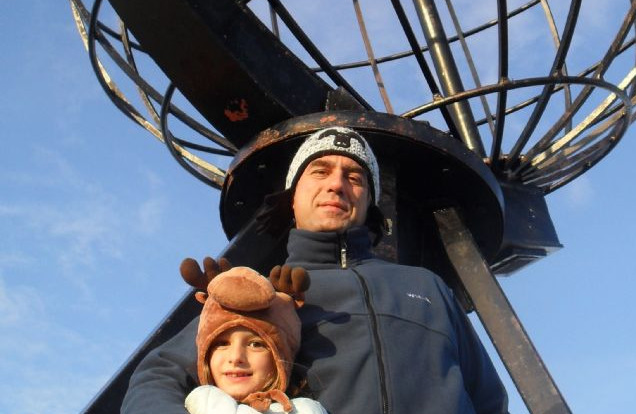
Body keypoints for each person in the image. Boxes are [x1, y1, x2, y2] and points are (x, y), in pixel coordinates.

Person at [121, 126, 509, 414]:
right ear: (293, 197)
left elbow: (489, 401)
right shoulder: (261, 294)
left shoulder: (427, 287)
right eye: (320, 171)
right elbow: (157, 376)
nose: (337, 185)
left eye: (354, 177)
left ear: (369, 202)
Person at [179, 262, 326, 414]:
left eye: (255, 344)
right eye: (222, 343)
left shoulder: (303, 409)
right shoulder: (200, 400)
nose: (236, 357)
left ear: (280, 359)